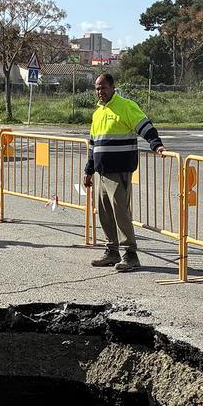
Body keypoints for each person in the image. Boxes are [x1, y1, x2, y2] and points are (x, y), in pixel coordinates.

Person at [82, 73, 166, 272]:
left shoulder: (126, 106)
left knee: (121, 213)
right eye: (97, 88)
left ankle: (130, 254)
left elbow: (145, 127)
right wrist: (89, 170)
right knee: (105, 213)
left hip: (119, 171)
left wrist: (156, 145)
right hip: (102, 172)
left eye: (103, 87)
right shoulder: (98, 113)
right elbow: (93, 145)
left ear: (112, 87)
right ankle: (112, 251)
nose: (100, 92)